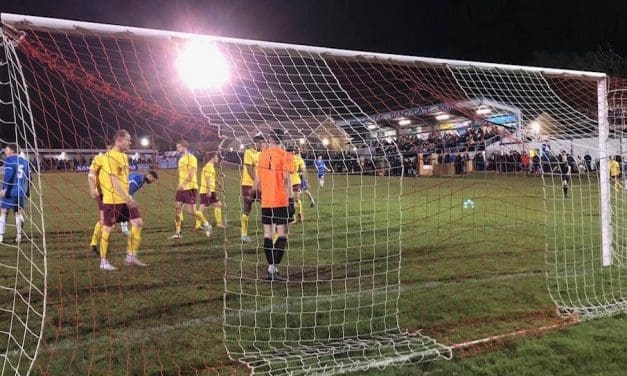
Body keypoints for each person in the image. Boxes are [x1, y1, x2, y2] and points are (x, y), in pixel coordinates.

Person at [99, 130, 147, 271]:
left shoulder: (124, 156)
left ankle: (131, 256)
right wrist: (127, 197)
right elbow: (113, 180)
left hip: (125, 198)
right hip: (112, 200)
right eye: (128, 140)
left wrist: (127, 196)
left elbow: (123, 179)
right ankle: (103, 262)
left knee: (137, 223)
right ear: (119, 141)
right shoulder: (111, 157)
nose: (130, 142)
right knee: (108, 228)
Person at [255, 131, 291, 281]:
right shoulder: (285, 155)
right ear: (281, 140)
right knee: (282, 234)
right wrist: (292, 200)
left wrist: (255, 192)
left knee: (267, 234)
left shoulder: (261, 155)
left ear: (269, 139)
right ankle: (272, 269)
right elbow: (286, 180)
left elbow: (257, 179)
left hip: (266, 200)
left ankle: (271, 270)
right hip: (280, 200)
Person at [171, 140, 211, 239]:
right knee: (177, 208)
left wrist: (184, 184)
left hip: (190, 187)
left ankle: (206, 224)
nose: (177, 148)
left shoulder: (191, 157)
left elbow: (192, 172)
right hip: (181, 188)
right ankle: (178, 232)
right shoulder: (181, 158)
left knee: (192, 211)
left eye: (178, 146)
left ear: (184, 146)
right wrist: (181, 185)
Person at [0, 144, 30, 244]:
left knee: (4, 211)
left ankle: (1, 237)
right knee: (18, 212)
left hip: (11, 190)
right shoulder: (25, 161)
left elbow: (9, 176)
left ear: (12, 151)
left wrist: (4, 189)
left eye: (7, 150)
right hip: (21, 191)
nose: (5, 152)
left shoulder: (9, 160)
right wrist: (28, 191)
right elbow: (30, 178)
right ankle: (19, 237)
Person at [240, 135, 264, 243]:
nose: (263, 145)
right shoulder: (248, 152)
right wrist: (257, 181)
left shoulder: (261, 154)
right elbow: (249, 170)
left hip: (260, 185)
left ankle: (270, 230)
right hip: (248, 184)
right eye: (261, 143)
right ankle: (243, 234)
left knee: (266, 205)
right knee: (247, 208)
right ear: (256, 143)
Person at [119, 170, 159, 236]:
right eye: (153, 180)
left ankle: (124, 230)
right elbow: (130, 191)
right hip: (118, 192)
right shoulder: (139, 180)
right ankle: (125, 230)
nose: (152, 182)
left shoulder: (140, 176)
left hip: (119, 190)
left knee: (125, 210)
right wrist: (131, 201)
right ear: (150, 176)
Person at [196, 152, 224, 230]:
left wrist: (216, 181)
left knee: (217, 204)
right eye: (216, 157)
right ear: (212, 158)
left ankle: (218, 223)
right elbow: (207, 178)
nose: (217, 158)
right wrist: (208, 190)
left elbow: (210, 177)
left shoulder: (210, 166)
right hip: (207, 190)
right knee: (202, 208)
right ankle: (198, 224)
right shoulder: (209, 166)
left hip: (209, 190)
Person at [287, 146, 307, 223]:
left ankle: (300, 213)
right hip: (286, 182)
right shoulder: (284, 159)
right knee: (289, 200)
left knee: (295, 198)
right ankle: (292, 217)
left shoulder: (298, 159)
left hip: (295, 181)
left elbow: (303, 168)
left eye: (290, 152)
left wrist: (304, 179)